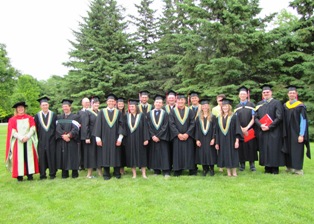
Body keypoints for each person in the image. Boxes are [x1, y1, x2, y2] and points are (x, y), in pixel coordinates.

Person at [255, 84, 285, 174]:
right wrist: (260, 125)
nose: (266, 93)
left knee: (274, 149)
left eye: (267, 92)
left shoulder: (277, 103)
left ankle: (275, 168)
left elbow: (279, 117)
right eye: (264, 92)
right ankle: (267, 167)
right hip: (263, 131)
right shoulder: (260, 104)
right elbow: (255, 117)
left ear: (271, 93)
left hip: (274, 131)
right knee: (265, 149)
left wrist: (269, 126)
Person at [5, 101, 39, 181]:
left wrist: (27, 136)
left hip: (29, 140)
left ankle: (30, 174)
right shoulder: (12, 119)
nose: (21, 109)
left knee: (29, 157)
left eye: (22, 107)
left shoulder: (29, 118)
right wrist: (21, 137)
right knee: (19, 158)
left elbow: (33, 128)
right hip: (18, 141)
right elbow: (12, 131)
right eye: (19, 108)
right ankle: (19, 175)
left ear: (24, 109)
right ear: (16, 109)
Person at [94, 94, 124, 180]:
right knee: (105, 155)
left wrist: (120, 138)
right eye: (109, 101)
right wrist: (98, 138)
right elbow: (98, 125)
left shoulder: (118, 112)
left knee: (116, 154)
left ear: (115, 102)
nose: (111, 102)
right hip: (104, 138)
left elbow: (121, 126)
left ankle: (117, 172)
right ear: (107, 102)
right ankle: (106, 174)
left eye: (112, 101)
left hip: (115, 137)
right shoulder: (101, 112)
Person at [282, 85, 311, 175]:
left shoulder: (300, 106)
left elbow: (303, 120)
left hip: (296, 132)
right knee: (288, 149)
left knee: (297, 150)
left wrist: (301, 134)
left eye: (293, 93)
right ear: (288, 94)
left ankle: (298, 169)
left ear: (296, 94)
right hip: (287, 132)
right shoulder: (285, 106)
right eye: (290, 93)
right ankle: (289, 167)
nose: (292, 94)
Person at [169, 93, 196, 176]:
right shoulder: (173, 112)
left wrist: (187, 134)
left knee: (189, 153)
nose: (180, 101)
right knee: (177, 153)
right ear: (176, 101)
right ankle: (177, 169)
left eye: (182, 100)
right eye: (179, 100)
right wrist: (178, 134)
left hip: (188, 137)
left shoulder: (190, 111)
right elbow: (171, 124)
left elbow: (193, 123)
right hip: (177, 137)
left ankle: (191, 169)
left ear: (185, 101)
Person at [215, 98, 242, 177]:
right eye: (223, 106)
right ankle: (228, 172)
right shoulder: (219, 117)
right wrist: (217, 142)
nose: (225, 108)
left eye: (226, 106)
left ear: (229, 107)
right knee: (225, 154)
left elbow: (237, 129)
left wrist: (237, 141)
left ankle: (234, 172)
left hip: (232, 139)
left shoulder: (234, 116)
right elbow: (217, 131)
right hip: (222, 140)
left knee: (233, 154)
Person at [124, 99, 150, 178]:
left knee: (142, 155)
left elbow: (145, 127)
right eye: (130, 106)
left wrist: (146, 138)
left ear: (136, 107)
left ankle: (144, 174)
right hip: (130, 139)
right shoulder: (126, 116)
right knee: (132, 156)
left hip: (140, 139)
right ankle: (134, 174)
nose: (131, 108)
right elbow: (124, 128)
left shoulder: (141, 115)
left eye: (133, 106)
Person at [234, 86, 258, 171]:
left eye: (244, 94)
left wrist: (247, 128)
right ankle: (242, 164)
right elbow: (236, 120)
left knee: (251, 147)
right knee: (241, 147)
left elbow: (253, 118)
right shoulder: (237, 107)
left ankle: (252, 165)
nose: (242, 95)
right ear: (239, 96)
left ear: (247, 95)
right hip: (240, 130)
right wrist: (241, 128)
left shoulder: (251, 105)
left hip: (250, 130)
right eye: (241, 94)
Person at [56, 99, 80, 178]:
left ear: (70, 107)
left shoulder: (75, 116)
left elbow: (76, 128)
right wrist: (64, 136)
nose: (65, 108)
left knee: (73, 156)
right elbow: (58, 128)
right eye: (63, 107)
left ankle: (74, 173)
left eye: (66, 106)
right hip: (63, 141)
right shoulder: (59, 117)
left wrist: (69, 135)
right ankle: (64, 173)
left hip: (72, 140)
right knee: (63, 157)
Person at [34, 96, 57, 180]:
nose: (45, 106)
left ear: (48, 105)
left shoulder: (53, 115)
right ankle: (42, 174)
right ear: (40, 106)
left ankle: (52, 174)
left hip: (51, 140)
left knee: (51, 156)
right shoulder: (37, 116)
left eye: (46, 105)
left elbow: (55, 127)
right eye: (43, 105)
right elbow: (35, 128)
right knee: (42, 157)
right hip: (41, 140)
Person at [147, 95, 170, 177]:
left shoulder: (165, 114)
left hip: (162, 138)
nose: (158, 104)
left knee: (164, 154)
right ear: (154, 103)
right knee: (155, 154)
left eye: (160, 103)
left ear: (162, 104)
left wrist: (159, 136)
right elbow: (148, 126)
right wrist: (153, 136)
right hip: (153, 138)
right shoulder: (149, 113)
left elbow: (165, 126)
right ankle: (156, 171)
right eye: (157, 102)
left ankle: (166, 171)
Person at [195, 99, 217, 176]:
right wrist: (197, 139)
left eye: (206, 105)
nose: (204, 107)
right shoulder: (198, 118)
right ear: (201, 107)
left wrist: (214, 138)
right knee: (203, 153)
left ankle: (211, 168)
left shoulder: (213, 117)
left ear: (208, 107)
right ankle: (205, 169)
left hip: (210, 138)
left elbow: (215, 128)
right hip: (201, 138)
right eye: (203, 105)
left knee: (210, 153)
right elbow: (196, 129)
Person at [84, 96, 102, 178]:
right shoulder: (88, 112)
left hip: (99, 136)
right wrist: (87, 137)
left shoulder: (100, 112)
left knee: (99, 153)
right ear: (92, 104)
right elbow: (85, 125)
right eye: (94, 103)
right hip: (91, 136)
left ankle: (100, 171)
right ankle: (89, 173)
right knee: (91, 154)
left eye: (97, 103)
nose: (96, 105)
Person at [212, 94, 226, 172]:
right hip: (218, 129)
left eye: (222, 100)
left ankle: (227, 163)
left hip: (226, 130)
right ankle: (220, 166)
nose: (220, 102)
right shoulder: (214, 109)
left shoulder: (227, 107)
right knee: (219, 147)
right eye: (219, 100)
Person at [77, 97, 91, 170]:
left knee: (90, 151)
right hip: (81, 135)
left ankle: (91, 165)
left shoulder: (92, 112)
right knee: (81, 151)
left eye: (88, 102)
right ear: (82, 103)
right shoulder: (79, 113)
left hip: (90, 135)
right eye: (85, 102)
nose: (87, 104)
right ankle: (81, 165)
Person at [117, 97, 127, 175]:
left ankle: (122, 168)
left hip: (125, 136)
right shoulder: (115, 113)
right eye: (119, 104)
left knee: (123, 153)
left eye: (122, 104)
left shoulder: (126, 114)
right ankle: (119, 168)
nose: (121, 105)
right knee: (118, 152)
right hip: (118, 135)